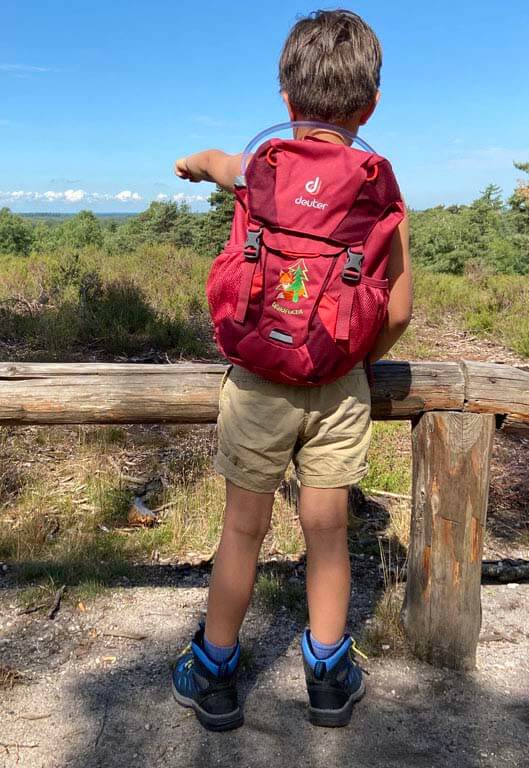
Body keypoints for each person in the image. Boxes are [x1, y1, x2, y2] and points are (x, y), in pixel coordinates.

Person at [169, 9, 413, 731]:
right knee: (328, 531)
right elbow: (398, 306)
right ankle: (329, 676)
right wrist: (356, 359)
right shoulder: (376, 193)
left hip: (257, 384)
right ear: (369, 106)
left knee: (242, 532)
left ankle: (214, 673)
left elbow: (217, 162)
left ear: (285, 100)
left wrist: (192, 163)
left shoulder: (260, 170)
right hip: (337, 385)